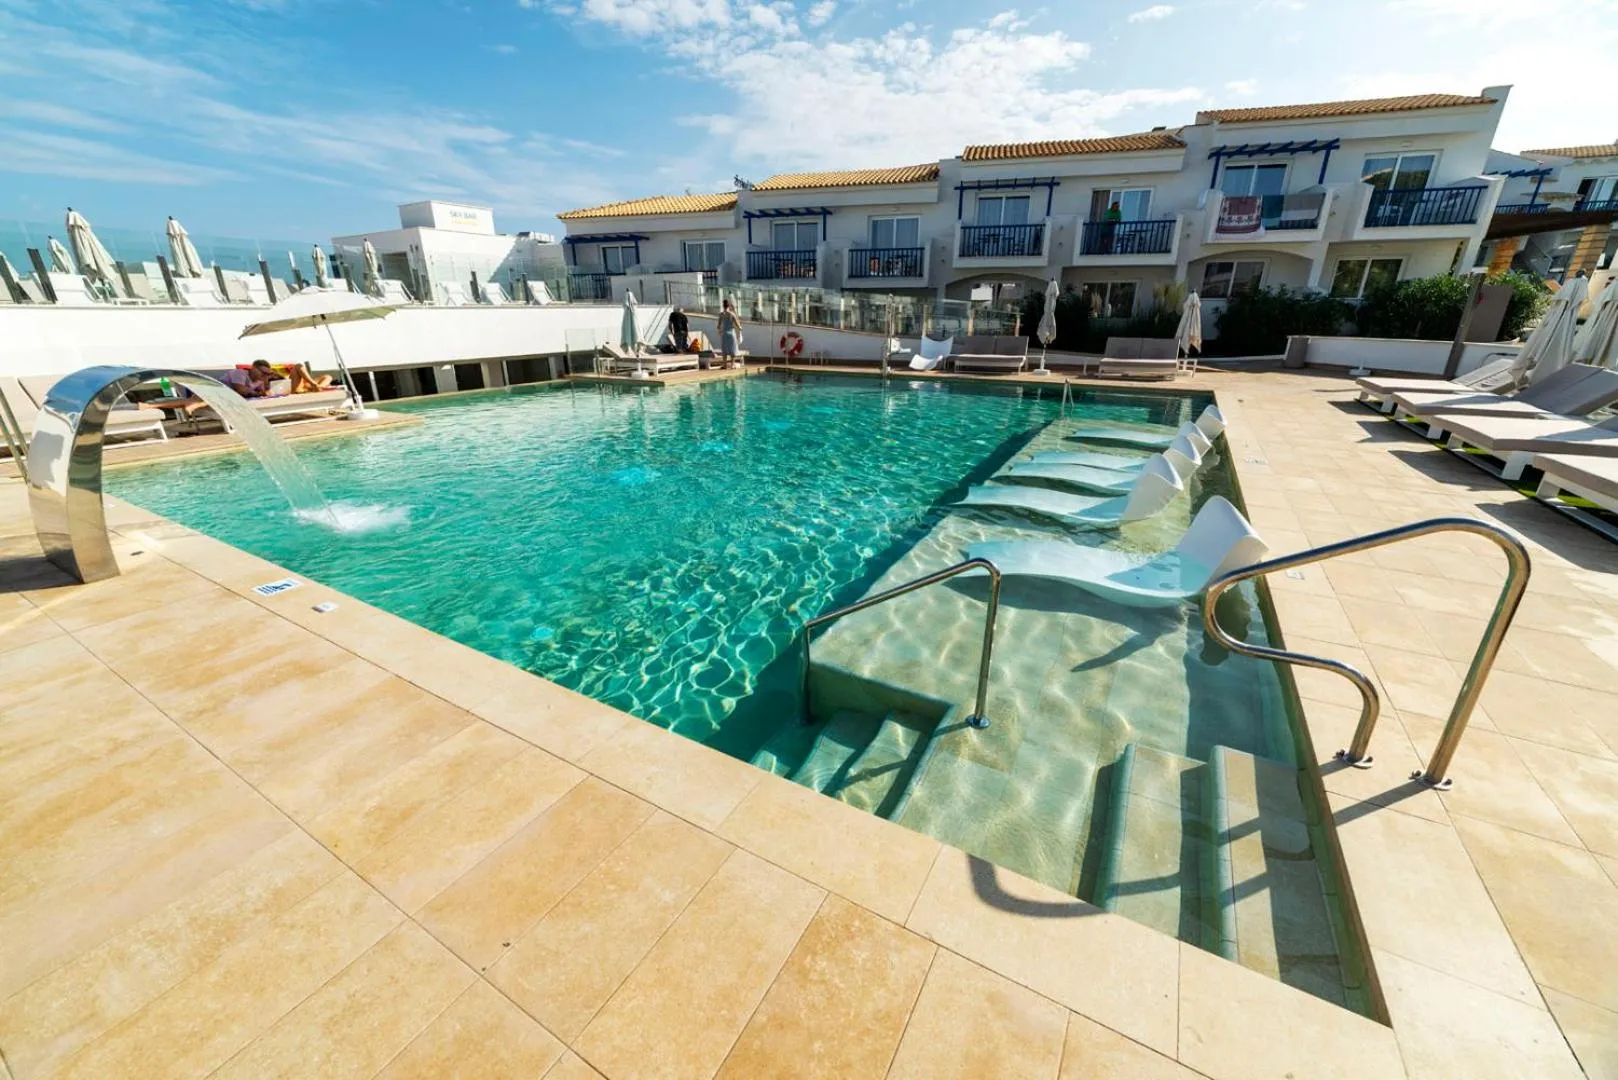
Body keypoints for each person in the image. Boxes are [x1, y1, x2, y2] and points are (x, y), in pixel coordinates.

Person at [716, 298, 743, 368]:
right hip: (731, 333)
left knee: (724, 349)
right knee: (732, 349)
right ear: (729, 306)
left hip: (724, 334)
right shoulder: (732, 314)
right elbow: (738, 325)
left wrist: (720, 330)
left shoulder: (721, 314)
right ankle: (732, 364)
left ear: (723, 306)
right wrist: (740, 328)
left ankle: (724, 365)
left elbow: (718, 326)